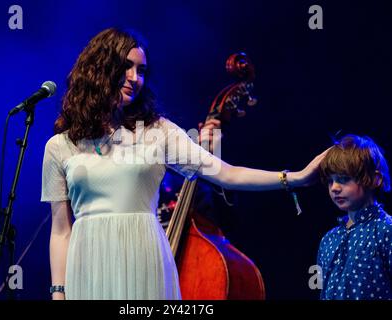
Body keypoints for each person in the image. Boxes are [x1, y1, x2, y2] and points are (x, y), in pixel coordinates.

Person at [41, 27, 326, 300]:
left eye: (141, 71)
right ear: (100, 68)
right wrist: (58, 291)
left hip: (144, 260)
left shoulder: (157, 132)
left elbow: (227, 174)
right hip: (87, 265)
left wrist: (296, 178)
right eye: (126, 67)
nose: (134, 78)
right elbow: (61, 230)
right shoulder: (60, 146)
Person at [317, 134, 391, 300]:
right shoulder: (328, 239)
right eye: (330, 181)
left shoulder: (387, 231)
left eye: (343, 179)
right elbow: (319, 288)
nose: (334, 188)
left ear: (374, 179)